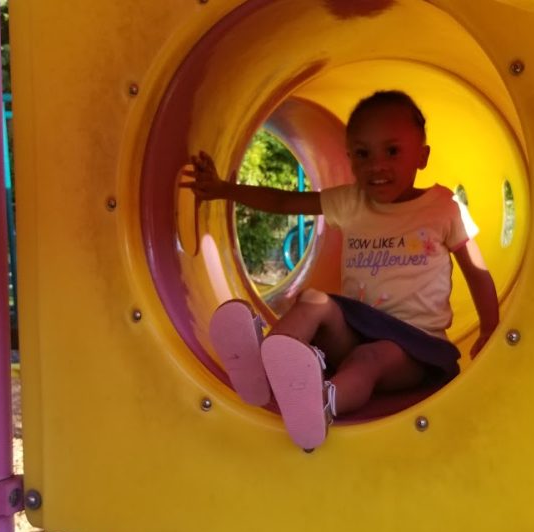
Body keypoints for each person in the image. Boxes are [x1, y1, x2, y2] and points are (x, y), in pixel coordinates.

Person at [185, 90, 499, 451]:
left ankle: (322, 402)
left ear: (422, 156)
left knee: (370, 358)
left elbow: (476, 270)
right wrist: (223, 190)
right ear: (350, 159)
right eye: (363, 154)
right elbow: (284, 201)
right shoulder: (351, 201)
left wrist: (489, 328)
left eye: (392, 151)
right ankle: (264, 363)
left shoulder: (444, 207)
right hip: (355, 327)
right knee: (313, 299)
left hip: (413, 346)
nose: (376, 165)